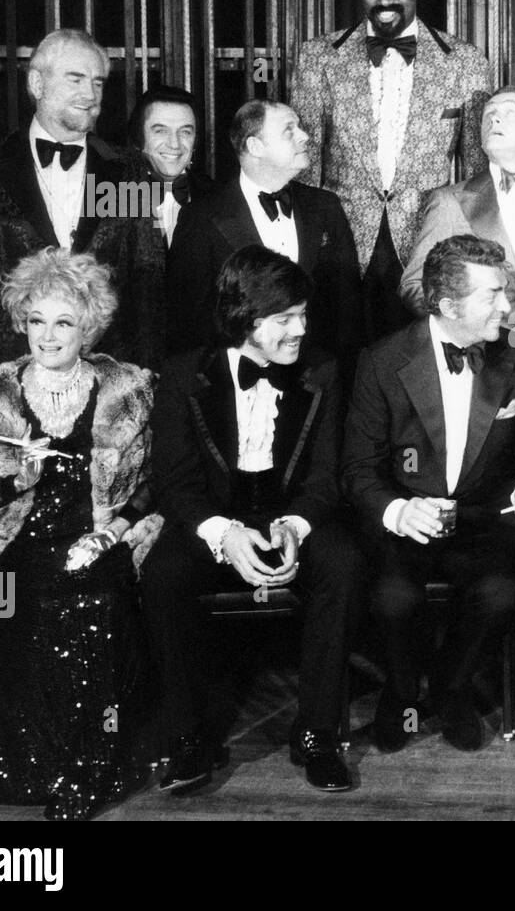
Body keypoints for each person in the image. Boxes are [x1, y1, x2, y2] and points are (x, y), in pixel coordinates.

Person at [0, 249, 161, 821]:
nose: (47, 336)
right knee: (23, 598)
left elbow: (149, 488)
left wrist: (112, 536)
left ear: (89, 326)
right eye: (36, 321)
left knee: (91, 590)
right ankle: (30, 764)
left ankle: (85, 768)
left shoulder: (127, 390)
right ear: (20, 322)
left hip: (94, 537)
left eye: (63, 322)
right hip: (13, 543)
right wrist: (10, 483)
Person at [141, 245, 367, 793]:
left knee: (344, 564)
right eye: (285, 319)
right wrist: (225, 534)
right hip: (213, 515)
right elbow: (175, 483)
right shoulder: (182, 374)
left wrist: (295, 525)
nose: (300, 330)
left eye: (304, 316)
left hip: (291, 510)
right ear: (244, 319)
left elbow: (325, 478)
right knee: (163, 576)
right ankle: (189, 738)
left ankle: (317, 732)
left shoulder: (322, 372)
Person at [342, 235, 515, 753]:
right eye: (492, 296)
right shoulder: (381, 361)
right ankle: (400, 694)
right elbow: (357, 469)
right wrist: (398, 510)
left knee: (502, 592)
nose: (507, 307)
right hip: (407, 519)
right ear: (446, 305)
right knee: (394, 597)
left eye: (504, 293)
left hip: (484, 519)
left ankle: (451, 687)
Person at [291, 0, 492, 341]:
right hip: (342, 241)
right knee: (343, 359)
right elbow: (305, 160)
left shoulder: (465, 61)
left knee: (420, 361)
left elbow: (476, 173)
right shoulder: (318, 56)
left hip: (426, 240)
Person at [0, 28, 166, 375]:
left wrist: (144, 374)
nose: (90, 94)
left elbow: (148, 279)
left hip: (107, 379)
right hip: (8, 378)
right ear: (37, 84)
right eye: (75, 79)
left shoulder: (131, 169)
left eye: (97, 82)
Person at [166, 100, 365, 383]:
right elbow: (187, 317)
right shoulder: (201, 217)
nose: (305, 136)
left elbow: (347, 306)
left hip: (314, 384)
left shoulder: (325, 206)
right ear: (255, 147)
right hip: (233, 385)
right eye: (289, 130)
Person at [400, 85, 515, 319]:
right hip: (487, 351)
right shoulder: (449, 202)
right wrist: (464, 326)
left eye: (510, 112)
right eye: (489, 114)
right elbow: (414, 285)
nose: (495, 119)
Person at [126, 84, 213, 249]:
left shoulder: (216, 197)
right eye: (160, 131)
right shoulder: (114, 196)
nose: (174, 144)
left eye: (185, 132)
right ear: (138, 139)